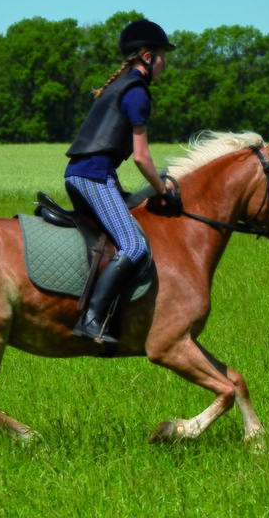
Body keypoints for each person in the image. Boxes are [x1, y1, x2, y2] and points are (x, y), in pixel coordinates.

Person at [64, 19, 182, 344]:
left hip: (85, 176)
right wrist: (164, 190)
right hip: (93, 178)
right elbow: (142, 158)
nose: (164, 63)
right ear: (147, 56)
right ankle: (91, 320)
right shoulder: (137, 93)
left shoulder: (122, 86)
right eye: (161, 55)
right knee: (134, 244)